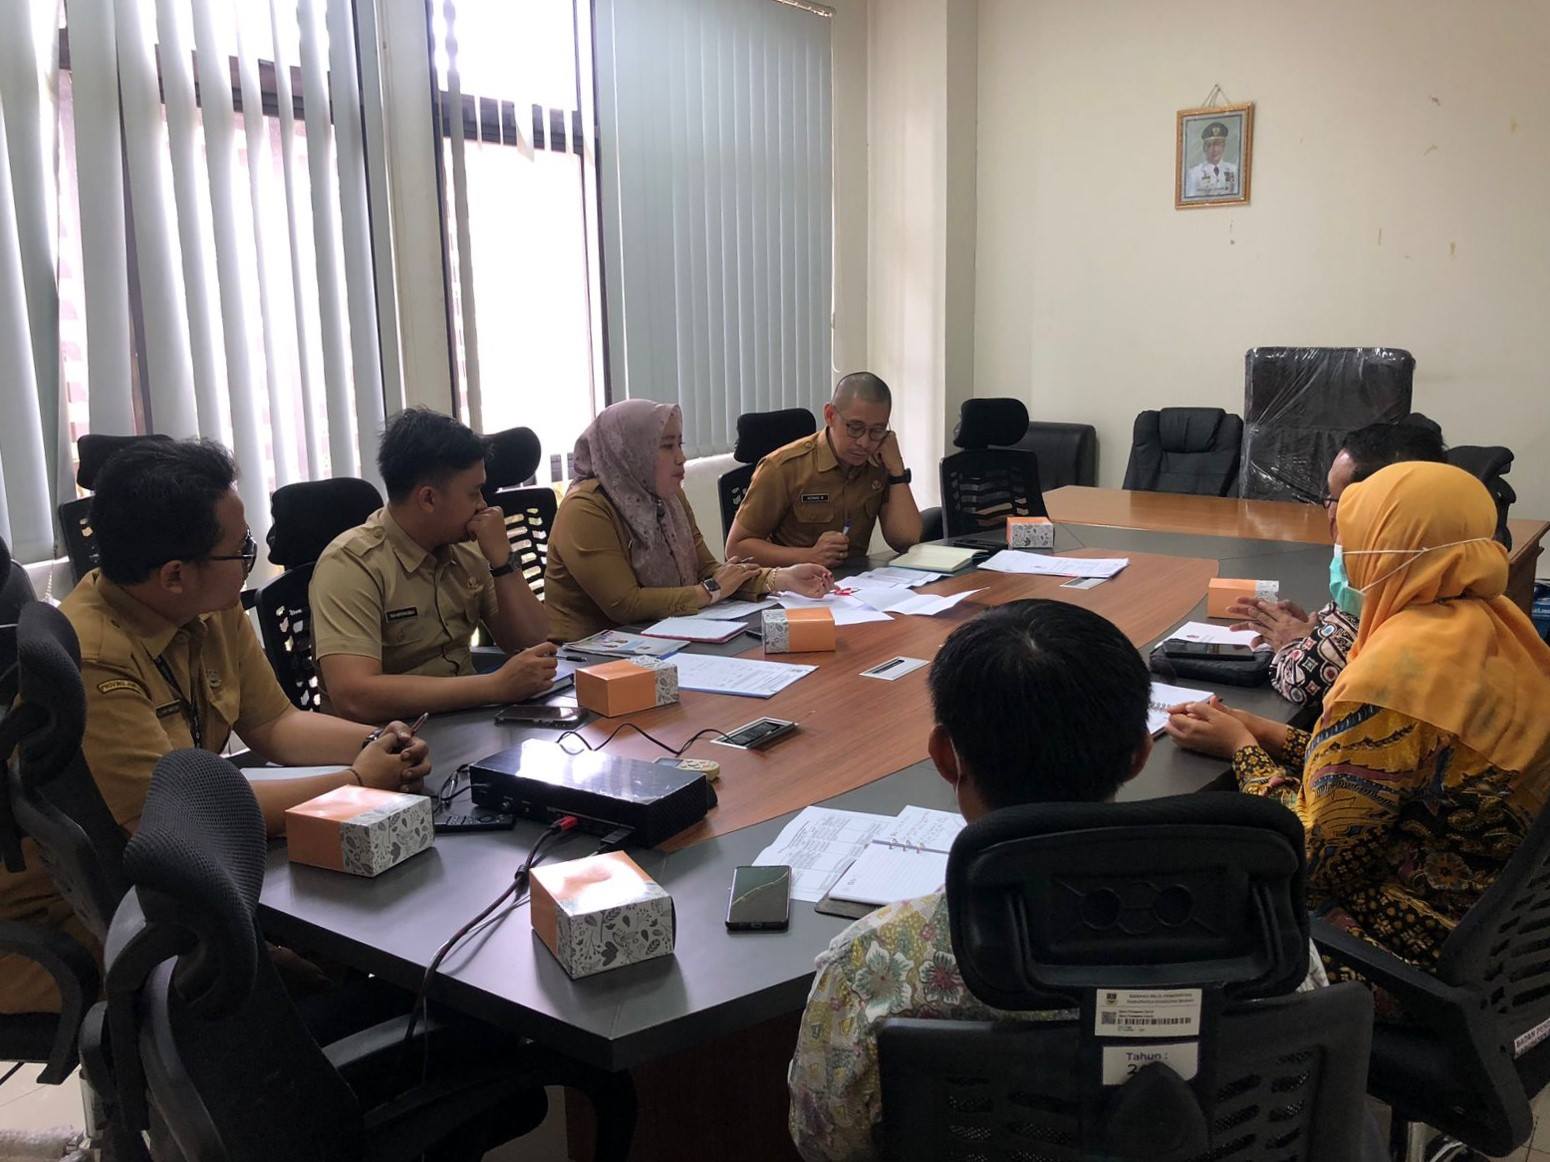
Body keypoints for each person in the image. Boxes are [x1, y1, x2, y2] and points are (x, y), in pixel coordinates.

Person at [786, 599, 1332, 1161]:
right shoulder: (1264, 936)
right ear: (1140, 754)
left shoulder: (873, 968)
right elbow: (1298, 1099)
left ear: (946, 758)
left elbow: (826, 1142)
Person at [0, 438, 431, 1015]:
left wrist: (378, 744)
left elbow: (275, 722)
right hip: (83, 922)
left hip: (168, 887)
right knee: (367, 988)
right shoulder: (95, 659)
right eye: (241, 549)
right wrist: (354, 781)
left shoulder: (208, 604)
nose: (252, 557)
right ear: (175, 575)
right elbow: (170, 822)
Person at [1167, 462, 1550, 988]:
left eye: (1353, 541)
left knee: (1193, 894)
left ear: (1387, 551)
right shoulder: (1499, 623)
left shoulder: (1392, 675)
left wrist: (1243, 750)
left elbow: (1315, 861)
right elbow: (1395, 767)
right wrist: (1270, 733)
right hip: (1510, 935)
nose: (1344, 557)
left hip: (1415, 946)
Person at [311, 408, 557, 721]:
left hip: (466, 721)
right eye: (474, 493)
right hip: (391, 738)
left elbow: (536, 645)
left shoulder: (467, 549)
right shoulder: (351, 564)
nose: (483, 505)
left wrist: (503, 562)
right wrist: (493, 687)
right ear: (428, 499)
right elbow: (354, 696)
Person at [544, 400, 834, 642]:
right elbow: (625, 604)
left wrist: (780, 579)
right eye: (666, 446)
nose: (681, 457)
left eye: (680, 444)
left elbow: (708, 570)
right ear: (628, 451)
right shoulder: (586, 509)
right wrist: (707, 592)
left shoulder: (667, 496)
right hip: (588, 656)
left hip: (662, 638)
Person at [1229, 420, 1448, 707]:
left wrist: (1291, 643)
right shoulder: (1443, 562)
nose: (1329, 511)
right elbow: (1345, 627)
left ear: (1381, 509)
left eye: (1336, 499)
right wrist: (1314, 634)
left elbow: (1303, 679)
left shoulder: (1392, 590)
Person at [726, 373, 923, 569]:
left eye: (877, 430)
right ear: (830, 415)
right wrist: (809, 556)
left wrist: (897, 470)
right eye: (855, 428)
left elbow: (906, 539)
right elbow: (736, 548)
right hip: (793, 582)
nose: (864, 442)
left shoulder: (878, 461)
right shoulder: (782, 468)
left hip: (856, 581)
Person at [1183, 120, 1238, 199]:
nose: (1214, 150)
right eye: (1209, 145)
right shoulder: (1194, 173)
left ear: (1223, 147)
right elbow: (1191, 199)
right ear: (1204, 148)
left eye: (1218, 145)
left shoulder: (1233, 170)